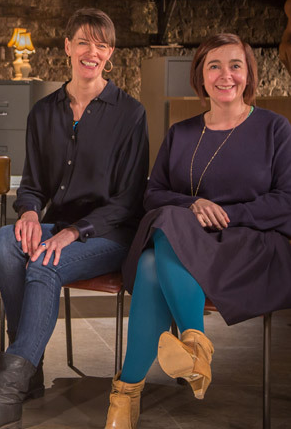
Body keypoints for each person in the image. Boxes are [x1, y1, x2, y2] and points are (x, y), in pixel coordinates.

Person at [0, 8, 148, 429]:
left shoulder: (130, 113)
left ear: (109, 53)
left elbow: (129, 200)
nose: (91, 52)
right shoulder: (43, 112)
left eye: (102, 45)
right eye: (83, 42)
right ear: (68, 47)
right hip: (59, 225)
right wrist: (28, 215)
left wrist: (74, 233)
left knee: (44, 262)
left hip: (109, 233)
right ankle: (30, 371)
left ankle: (8, 392)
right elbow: (33, 185)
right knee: (5, 240)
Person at [104, 33, 291, 429]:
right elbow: (152, 193)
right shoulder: (181, 132)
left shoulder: (275, 128)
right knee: (158, 252)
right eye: (214, 66)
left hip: (254, 245)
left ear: (249, 74)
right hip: (188, 243)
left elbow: (286, 200)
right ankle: (192, 348)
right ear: (201, 77)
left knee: (167, 232)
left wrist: (223, 214)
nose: (226, 76)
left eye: (235, 66)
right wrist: (194, 205)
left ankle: (127, 392)